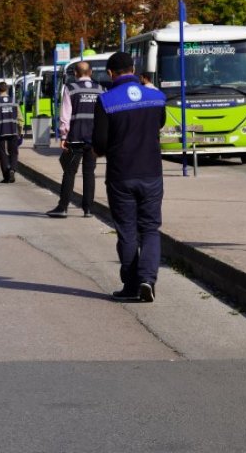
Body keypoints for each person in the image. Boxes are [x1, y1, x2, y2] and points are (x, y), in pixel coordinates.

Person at [92, 51, 166, 303]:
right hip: (152, 173)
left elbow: (100, 143)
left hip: (121, 175)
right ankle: (147, 279)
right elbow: (160, 124)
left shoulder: (106, 101)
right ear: (133, 68)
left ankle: (131, 285)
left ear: (111, 73)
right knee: (151, 229)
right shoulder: (156, 97)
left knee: (127, 231)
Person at [48, 61, 103, 218]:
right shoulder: (100, 89)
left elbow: (65, 115)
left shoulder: (70, 89)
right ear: (91, 72)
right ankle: (88, 209)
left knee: (69, 172)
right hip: (93, 139)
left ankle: (63, 207)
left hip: (76, 138)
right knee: (89, 173)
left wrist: (63, 135)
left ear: (76, 74)